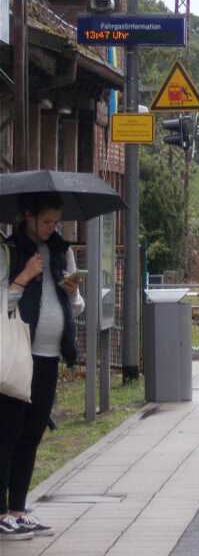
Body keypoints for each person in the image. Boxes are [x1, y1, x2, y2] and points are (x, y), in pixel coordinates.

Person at [0, 192, 84, 541]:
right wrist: (23, 276)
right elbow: (3, 302)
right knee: (8, 434)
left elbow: (76, 307)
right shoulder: (9, 250)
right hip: (17, 356)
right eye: (46, 221)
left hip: (49, 355)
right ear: (28, 215)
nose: (52, 228)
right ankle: (2, 513)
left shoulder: (63, 251)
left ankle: (19, 510)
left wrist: (71, 291)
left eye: (56, 222)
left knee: (32, 434)